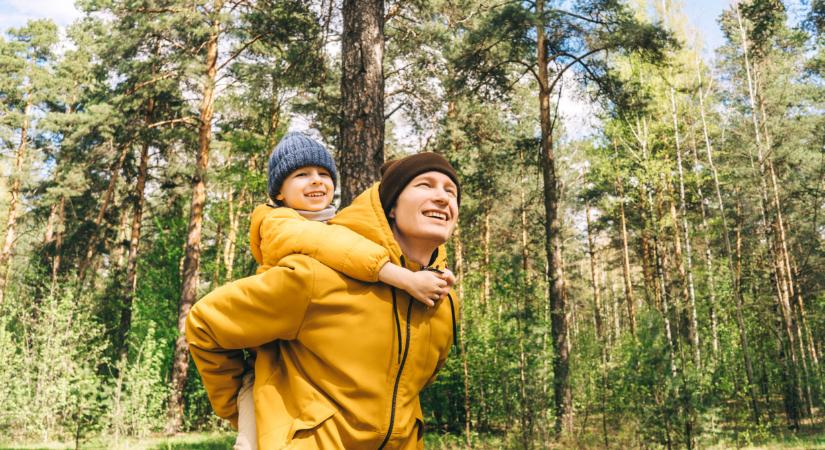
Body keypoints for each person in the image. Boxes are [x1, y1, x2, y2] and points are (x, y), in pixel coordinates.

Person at [187, 152, 461, 449]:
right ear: (392, 206)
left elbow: (412, 388)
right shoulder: (315, 276)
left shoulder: (445, 304)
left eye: (451, 191)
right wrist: (253, 412)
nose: (443, 198)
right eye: (425, 185)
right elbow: (204, 324)